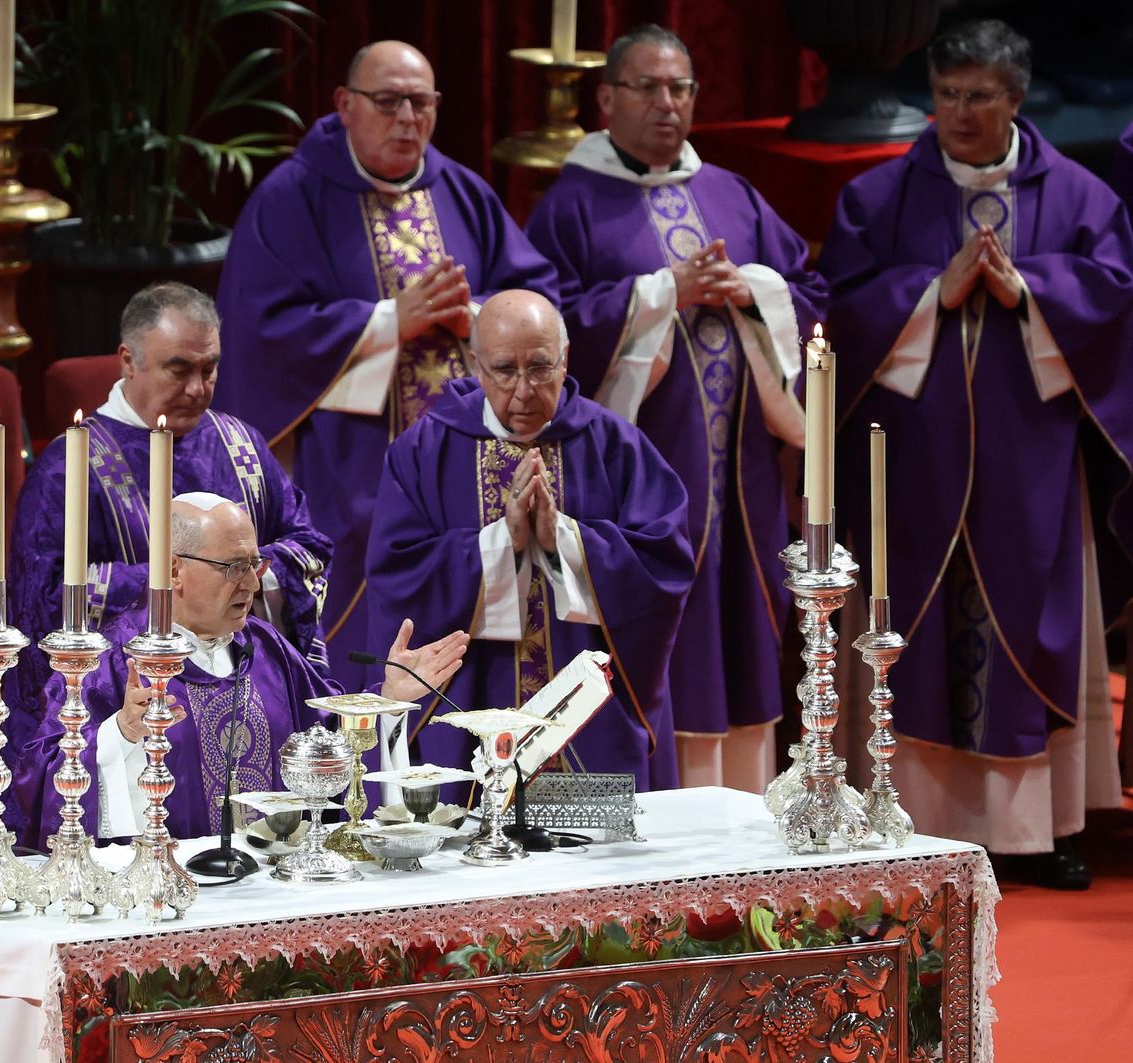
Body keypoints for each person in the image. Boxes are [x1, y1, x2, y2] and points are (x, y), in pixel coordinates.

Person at [818, 20, 1133, 888]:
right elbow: (835, 307)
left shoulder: (1078, 196)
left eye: (979, 96)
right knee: (912, 639)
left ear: (1017, 99)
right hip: (913, 468)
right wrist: (930, 294)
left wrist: (1028, 292)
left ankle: (1037, 829)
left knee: (1029, 628)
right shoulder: (878, 198)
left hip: (1030, 469)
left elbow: (1113, 299)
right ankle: (910, 818)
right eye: (947, 94)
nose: (959, 112)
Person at [522, 24, 824, 793]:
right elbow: (542, 323)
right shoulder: (570, 205)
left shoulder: (732, 193)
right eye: (648, 88)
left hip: (741, 485)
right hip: (639, 482)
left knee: (742, 633)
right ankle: (635, 817)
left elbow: (811, 296)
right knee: (645, 634)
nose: (667, 104)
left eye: (681, 88)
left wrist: (755, 292)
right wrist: (663, 296)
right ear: (607, 98)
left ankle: (746, 817)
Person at [214, 40, 559, 687]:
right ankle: (363, 783)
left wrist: (477, 318)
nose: (408, 118)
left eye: (422, 102)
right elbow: (261, 331)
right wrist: (387, 322)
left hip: (477, 464)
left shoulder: (462, 191)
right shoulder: (293, 198)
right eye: (389, 101)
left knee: (487, 650)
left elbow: (541, 301)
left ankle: (483, 774)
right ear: (345, 105)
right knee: (364, 635)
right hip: (355, 469)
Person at [365, 290, 694, 790]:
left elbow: (664, 564)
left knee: (596, 857)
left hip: (590, 729)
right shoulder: (422, 450)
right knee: (474, 850)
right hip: (471, 707)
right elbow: (397, 573)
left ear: (565, 362)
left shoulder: (615, 444)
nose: (522, 391)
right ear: (476, 365)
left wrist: (564, 540)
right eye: (504, 370)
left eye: (540, 368)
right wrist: (503, 542)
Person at [7, 494, 468, 847]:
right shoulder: (108, 661)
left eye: (254, 564)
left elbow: (325, 741)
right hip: (168, 903)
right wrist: (121, 735)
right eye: (233, 567)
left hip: (273, 892)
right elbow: (42, 778)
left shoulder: (266, 648)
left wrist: (386, 700)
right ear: (173, 570)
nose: (251, 584)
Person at [5, 282, 333, 750]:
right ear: (128, 361)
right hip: (130, 711)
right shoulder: (70, 467)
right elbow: (43, 601)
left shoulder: (242, 445)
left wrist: (238, 573)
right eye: (178, 370)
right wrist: (185, 582)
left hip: (250, 694)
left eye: (210, 369)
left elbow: (309, 547)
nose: (198, 389)